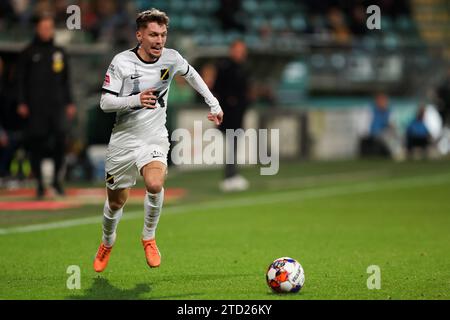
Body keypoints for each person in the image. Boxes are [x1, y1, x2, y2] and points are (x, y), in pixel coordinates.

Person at [94, 9, 223, 272]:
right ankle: (107, 241)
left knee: (154, 183)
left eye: (163, 34)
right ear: (139, 35)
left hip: (154, 137)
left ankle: (149, 237)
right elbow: (104, 102)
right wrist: (135, 100)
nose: (159, 40)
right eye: (153, 34)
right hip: (123, 139)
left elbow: (193, 76)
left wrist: (214, 103)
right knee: (116, 201)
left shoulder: (171, 58)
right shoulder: (121, 62)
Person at [17, 14, 76, 199]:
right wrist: (21, 102)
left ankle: (57, 181)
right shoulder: (27, 52)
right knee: (37, 145)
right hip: (36, 108)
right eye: (43, 28)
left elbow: (66, 80)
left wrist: (69, 102)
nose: (46, 31)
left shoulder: (59, 52)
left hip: (57, 107)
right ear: (37, 29)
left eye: (49, 28)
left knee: (60, 141)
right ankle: (40, 184)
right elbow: (20, 81)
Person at [212, 40, 250, 192]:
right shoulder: (225, 68)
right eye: (239, 50)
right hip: (228, 116)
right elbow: (217, 89)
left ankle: (232, 175)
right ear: (232, 50)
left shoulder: (243, 68)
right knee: (231, 146)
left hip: (238, 115)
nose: (242, 53)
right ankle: (229, 177)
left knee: (234, 146)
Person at [367, 93, 405, 161]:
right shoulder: (371, 111)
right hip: (376, 132)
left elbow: (391, 123)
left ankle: (401, 150)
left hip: (386, 131)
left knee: (398, 134)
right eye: (381, 101)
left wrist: (393, 128)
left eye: (384, 101)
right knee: (387, 137)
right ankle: (396, 153)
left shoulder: (389, 111)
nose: (383, 103)